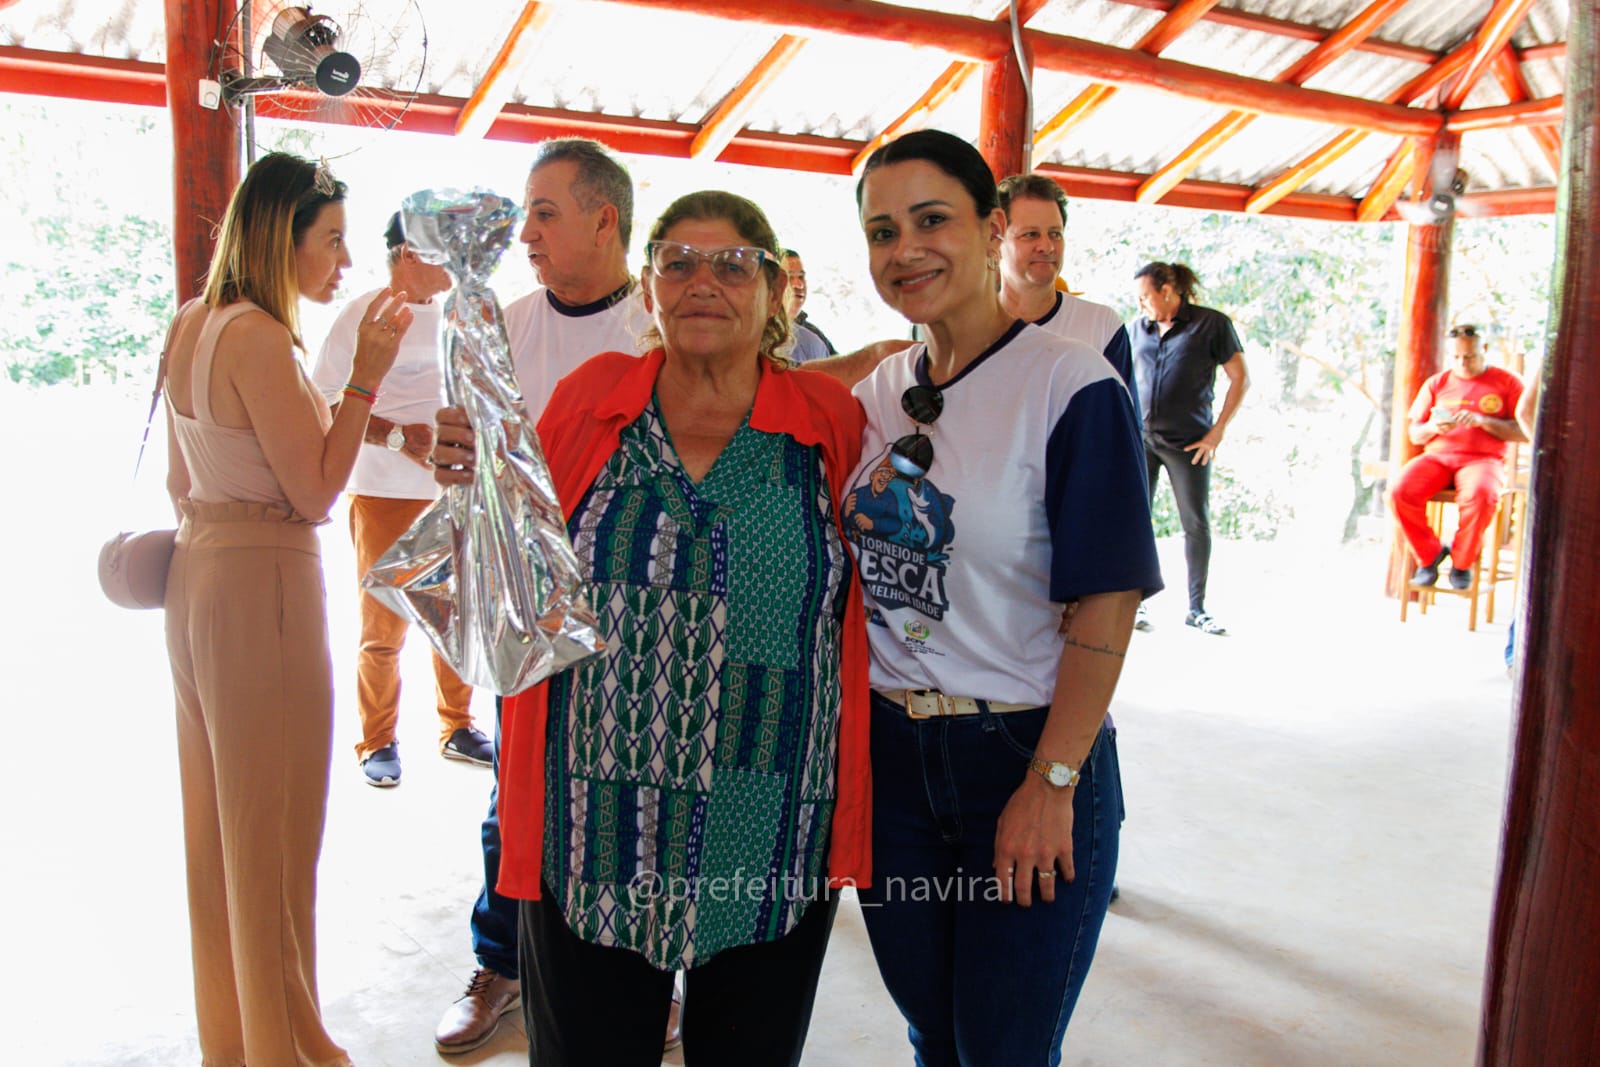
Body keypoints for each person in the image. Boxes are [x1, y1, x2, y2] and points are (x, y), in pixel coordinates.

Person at [436, 190, 871, 1067]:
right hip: (591, 817)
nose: (703, 281)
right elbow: (518, 584)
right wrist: (475, 489)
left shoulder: (828, 422)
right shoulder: (591, 399)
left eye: (733, 263)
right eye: (678, 261)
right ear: (649, 286)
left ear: (777, 289)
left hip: (771, 819)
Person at [846, 129, 1160, 1066]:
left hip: (1021, 749)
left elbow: (1108, 601)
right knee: (934, 1032)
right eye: (882, 231)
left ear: (991, 230)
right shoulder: (880, 389)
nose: (905, 250)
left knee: (1003, 1047)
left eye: (931, 220)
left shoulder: (1069, 383)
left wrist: (1052, 781)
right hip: (892, 760)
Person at [162, 151, 411, 1067]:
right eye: (331, 239)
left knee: (219, 837)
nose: (344, 260)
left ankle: (236, 1044)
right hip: (264, 580)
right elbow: (313, 491)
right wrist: (366, 378)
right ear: (281, 237)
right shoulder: (261, 337)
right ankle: (289, 1048)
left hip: (197, 576)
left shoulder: (192, 321)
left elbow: (180, 479)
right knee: (273, 835)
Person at [430, 137, 667, 1056]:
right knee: (516, 793)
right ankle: (502, 963)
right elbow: (471, 461)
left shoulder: (660, 328)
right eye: (523, 213)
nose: (523, 232)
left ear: (605, 220)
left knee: (642, 796)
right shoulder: (497, 324)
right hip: (525, 604)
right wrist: (452, 454)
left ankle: (652, 972)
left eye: (543, 212)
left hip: (640, 611)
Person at [310, 212, 491, 787]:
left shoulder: (459, 318)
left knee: (456, 619)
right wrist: (393, 435)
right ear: (410, 253)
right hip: (383, 492)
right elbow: (321, 402)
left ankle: (457, 726)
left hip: (454, 492)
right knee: (383, 629)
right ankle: (378, 740)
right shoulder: (363, 314)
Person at [1131, 261, 1249, 636]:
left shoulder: (1211, 324)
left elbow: (1240, 378)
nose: (1140, 305)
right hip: (1142, 440)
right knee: (1135, 520)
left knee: (1195, 523)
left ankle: (1197, 609)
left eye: (1145, 297)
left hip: (1190, 444)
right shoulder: (1137, 329)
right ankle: (1136, 602)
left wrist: (1216, 433)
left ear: (1167, 291)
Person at [1390, 323, 1527, 590]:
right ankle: (1429, 555)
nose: (1462, 363)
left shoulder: (1508, 382)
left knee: (1481, 496)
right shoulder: (1437, 383)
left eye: (1469, 357)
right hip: (1438, 458)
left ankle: (1462, 563)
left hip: (1483, 460)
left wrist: (1483, 421)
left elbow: (1524, 432)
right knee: (1399, 492)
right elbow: (1415, 434)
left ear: (1484, 349)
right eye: (1455, 357)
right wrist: (1433, 427)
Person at [996, 173, 1134, 394]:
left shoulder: (1101, 326)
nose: (1047, 246)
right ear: (995, 241)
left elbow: (1123, 414)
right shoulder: (966, 328)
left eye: (1055, 234)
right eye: (1030, 234)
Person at [781, 248, 836, 364]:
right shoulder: (759, 333)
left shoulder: (814, 338)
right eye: (790, 277)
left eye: (801, 277)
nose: (799, 285)